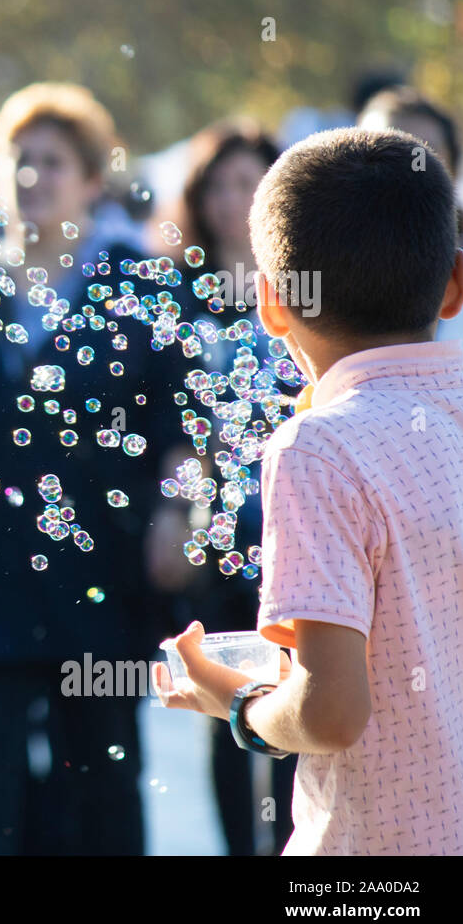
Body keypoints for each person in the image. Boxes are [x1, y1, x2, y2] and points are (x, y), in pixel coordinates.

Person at [155, 127, 463, 855]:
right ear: (455, 284)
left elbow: (330, 715)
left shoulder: (318, 447)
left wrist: (235, 702)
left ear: (272, 304)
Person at [0, 82, 193, 855]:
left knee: (99, 793)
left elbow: (182, 421)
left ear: (93, 179)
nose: (33, 177)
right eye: (19, 160)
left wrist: (175, 511)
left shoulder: (137, 287)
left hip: (100, 587)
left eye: (54, 162)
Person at [170, 119, 295, 855]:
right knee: (226, 708)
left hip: (291, 530)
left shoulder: (305, 297)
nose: (229, 200)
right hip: (217, 533)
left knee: (292, 705)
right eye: (216, 185)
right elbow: (166, 426)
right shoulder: (178, 297)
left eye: (247, 184)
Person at [356, 86, 463, 356]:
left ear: (452, 174)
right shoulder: (319, 279)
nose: (404, 176)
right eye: (382, 154)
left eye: (423, 158)